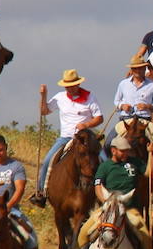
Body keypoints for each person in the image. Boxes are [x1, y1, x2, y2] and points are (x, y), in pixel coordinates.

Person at [78, 135, 153, 249]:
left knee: (145, 236)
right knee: (83, 232)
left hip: (129, 209)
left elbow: (150, 172)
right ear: (113, 150)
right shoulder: (104, 166)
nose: (126, 153)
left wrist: (152, 154)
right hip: (108, 208)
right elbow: (98, 187)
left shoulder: (134, 163)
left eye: (127, 151)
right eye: (122, 151)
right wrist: (106, 202)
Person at [30, 70, 104, 205]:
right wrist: (43, 95)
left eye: (72, 85)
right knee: (48, 161)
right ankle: (41, 192)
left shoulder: (90, 97)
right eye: (67, 86)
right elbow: (44, 111)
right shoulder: (60, 97)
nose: (69, 88)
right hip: (65, 137)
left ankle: (107, 192)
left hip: (85, 138)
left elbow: (99, 118)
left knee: (104, 159)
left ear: (78, 84)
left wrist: (86, 124)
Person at [103, 56, 153, 158]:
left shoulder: (152, 85)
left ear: (145, 69)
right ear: (131, 69)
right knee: (108, 143)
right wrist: (122, 106)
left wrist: (148, 106)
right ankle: (110, 168)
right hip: (126, 121)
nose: (138, 70)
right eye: (135, 68)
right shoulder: (123, 84)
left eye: (140, 68)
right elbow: (116, 101)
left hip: (145, 122)